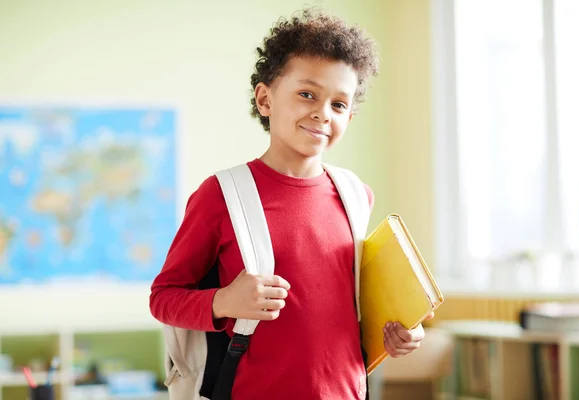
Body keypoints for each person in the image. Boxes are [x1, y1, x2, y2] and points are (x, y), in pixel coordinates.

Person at [150, 8, 431, 400]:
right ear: (265, 99)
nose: (322, 112)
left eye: (339, 104)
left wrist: (400, 332)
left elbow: (355, 307)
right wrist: (224, 300)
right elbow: (163, 298)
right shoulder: (220, 195)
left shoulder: (355, 194)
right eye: (306, 94)